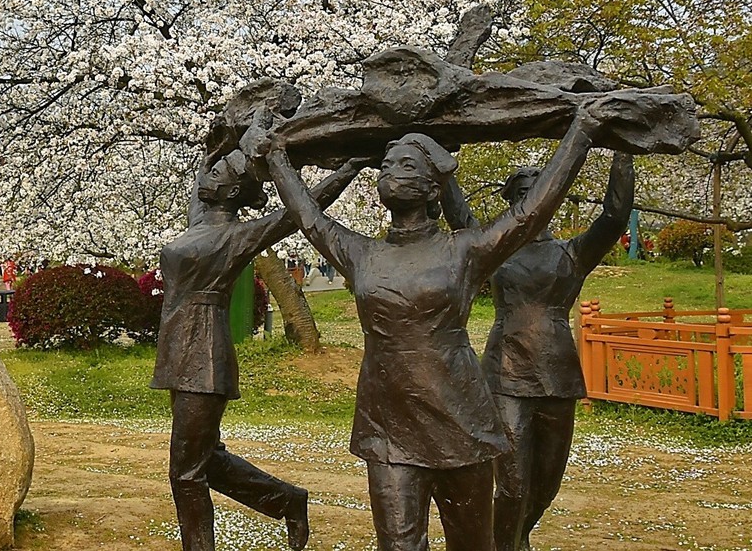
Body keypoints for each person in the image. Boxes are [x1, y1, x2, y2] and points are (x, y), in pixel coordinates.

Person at [252, 102, 605, 551]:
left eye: (406, 164)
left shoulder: (466, 251)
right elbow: (307, 216)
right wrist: (276, 158)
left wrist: (582, 131)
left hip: (461, 424)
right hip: (388, 427)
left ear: (432, 188)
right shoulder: (363, 254)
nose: (390, 171)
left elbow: (532, 211)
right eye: (386, 164)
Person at [150, 146, 365, 551]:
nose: (209, 175)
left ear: (233, 194)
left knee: (186, 473)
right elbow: (201, 182)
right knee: (205, 461)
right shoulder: (200, 222)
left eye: (220, 172)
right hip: (178, 353)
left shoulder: (236, 236)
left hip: (204, 357)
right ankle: (287, 500)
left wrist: (350, 164)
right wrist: (216, 141)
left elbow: (302, 208)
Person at [441, 153, 633, 551]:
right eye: (522, 195)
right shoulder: (495, 250)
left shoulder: (572, 254)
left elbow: (615, 217)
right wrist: (443, 170)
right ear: (513, 203)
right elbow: (461, 219)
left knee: (547, 483)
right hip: (506, 377)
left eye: (539, 192)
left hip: (558, 377)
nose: (531, 201)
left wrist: (622, 153)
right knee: (511, 485)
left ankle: (515, 535)